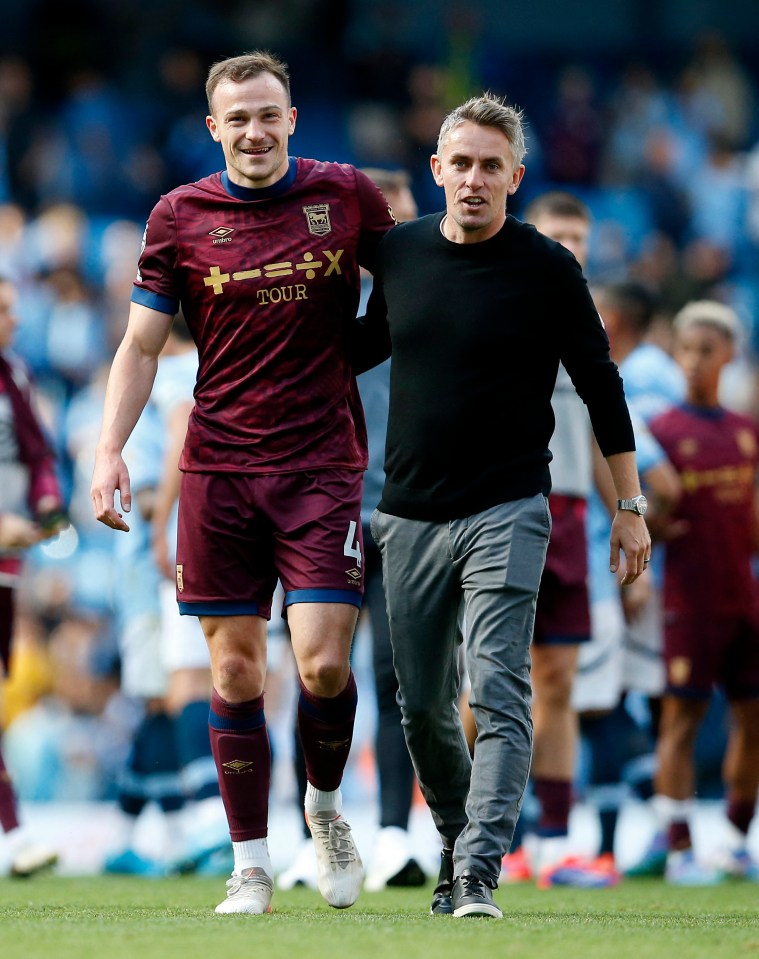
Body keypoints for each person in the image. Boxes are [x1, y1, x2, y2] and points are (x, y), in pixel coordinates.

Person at [90, 50, 396, 915]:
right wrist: (110, 447)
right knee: (232, 676)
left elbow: (416, 286)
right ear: (213, 126)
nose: (255, 131)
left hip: (322, 466)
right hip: (218, 471)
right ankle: (251, 861)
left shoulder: (344, 196)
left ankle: (327, 809)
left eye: (270, 114)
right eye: (238, 117)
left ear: (292, 119)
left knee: (326, 663)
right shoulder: (178, 215)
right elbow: (142, 346)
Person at [357, 93, 650, 919]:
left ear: (515, 177)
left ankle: (480, 870)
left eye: (492, 166)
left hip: (509, 507)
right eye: (462, 163)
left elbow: (601, 386)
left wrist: (630, 501)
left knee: (497, 688)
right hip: (407, 513)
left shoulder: (548, 268)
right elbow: (370, 343)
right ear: (436, 170)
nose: (475, 179)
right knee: (420, 705)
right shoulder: (401, 253)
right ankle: (457, 841)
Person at [278, 167, 428, 893]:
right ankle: (311, 832)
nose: (380, 229)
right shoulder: (311, 292)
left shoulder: (429, 295)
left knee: (396, 676)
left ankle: (396, 832)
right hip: (318, 504)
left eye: (393, 218)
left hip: (404, 510)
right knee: (313, 674)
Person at [500, 191, 617, 888]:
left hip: (571, 513)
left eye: (579, 234)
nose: (569, 244)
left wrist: (625, 512)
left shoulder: (585, 320)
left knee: (558, 681)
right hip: (503, 503)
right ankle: (483, 833)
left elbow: (605, 429)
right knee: (487, 681)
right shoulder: (498, 301)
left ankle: (549, 840)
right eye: (557, 234)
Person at [647, 300, 759, 885]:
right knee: (681, 720)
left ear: (728, 357)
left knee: (752, 716)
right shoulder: (662, 432)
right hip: (686, 601)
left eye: (705, 352)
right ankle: (680, 849)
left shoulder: (747, 434)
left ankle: (739, 840)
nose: (693, 362)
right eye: (685, 350)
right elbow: (640, 515)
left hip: (743, 598)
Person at [0, 273, 66, 876]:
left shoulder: (12, 374)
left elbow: (38, 453)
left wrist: (46, 503)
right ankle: (15, 833)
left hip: (7, 565)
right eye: (3, 310)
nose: (13, 321)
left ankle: (15, 834)